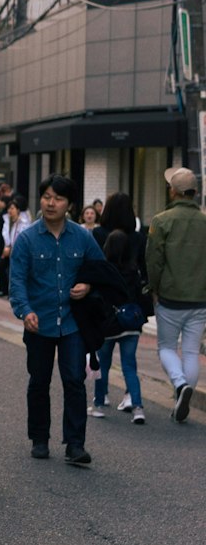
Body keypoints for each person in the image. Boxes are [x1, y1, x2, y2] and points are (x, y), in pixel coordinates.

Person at [9, 173, 105, 465]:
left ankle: (75, 444)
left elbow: (101, 270)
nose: (51, 203)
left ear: (69, 205)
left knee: (74, 380)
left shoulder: (83, 237)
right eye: (47, 197)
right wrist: (26, 311)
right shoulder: (26, 239)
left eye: (58, 198)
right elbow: (17, 283)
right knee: (38, 381)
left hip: (73, 323)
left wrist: (88, 286)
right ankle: (39, 439)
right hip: (38, 322)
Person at [145, 165, 206, 423]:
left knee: (166, 347)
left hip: (170, 296)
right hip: (200, 297)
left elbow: (154, 261)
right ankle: (183, 398)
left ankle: (180, 386)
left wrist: (154, 288)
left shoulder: (162, 221)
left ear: (174, 192)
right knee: (191, 351)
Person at [88, 229, 147, 424]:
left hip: (109, 324)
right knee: (129, 366)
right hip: (131, 323)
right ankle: (138, 408)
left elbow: (98, 298)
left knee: (102, 365)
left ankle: (98, 402)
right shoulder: (134, 271)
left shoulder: (104, 269)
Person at [0, 193, 31, 297]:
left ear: (18, 209)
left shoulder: (23, 223)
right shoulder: (9, 220)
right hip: (9, 250)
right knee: (2, 268)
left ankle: (12, 292)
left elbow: (20, 238)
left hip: (17, 251)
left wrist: (11, 249)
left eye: (12, 208)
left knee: (13, 272)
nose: (9, 211)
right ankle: (4, 290)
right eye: (9, 208)